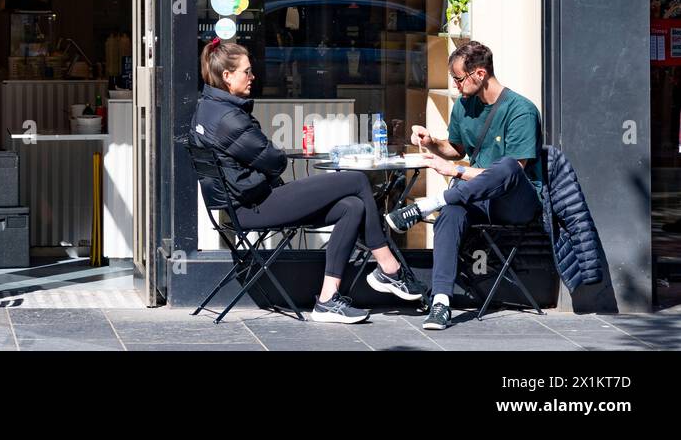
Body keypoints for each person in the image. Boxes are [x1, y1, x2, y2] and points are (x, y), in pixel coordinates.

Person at [192, 37, 426, 323]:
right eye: (247, 71)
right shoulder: (228, 118)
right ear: (227, 77)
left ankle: (328, 300)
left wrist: (263, 164)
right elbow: (275, 160)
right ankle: (389, 267)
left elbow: (262, 159)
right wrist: (266, 163)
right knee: (355, 181)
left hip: (248, 202)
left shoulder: (210, 108)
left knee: (352, 206)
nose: (253, 77)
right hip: (254, 205)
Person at [385, 40, 543, 331]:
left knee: (506, 166)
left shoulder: (521, 110)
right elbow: (456, 149)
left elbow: (514, 173)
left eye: (458, 78)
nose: (456, 85)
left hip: (516, 202)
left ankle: (431, 203)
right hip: (478, 199)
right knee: (452, 212)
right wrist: (432, 142)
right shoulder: (463, 106)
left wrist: (455, 171)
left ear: (479, 74)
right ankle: (441, 301)